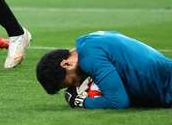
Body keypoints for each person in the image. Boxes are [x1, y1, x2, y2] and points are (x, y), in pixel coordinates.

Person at [36, 31, 172, 109]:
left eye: (72, 82)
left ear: (66, 64)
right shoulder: (88, 40)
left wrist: (81, 101)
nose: (77, 86)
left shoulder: (90, 58)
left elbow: (118, 102)